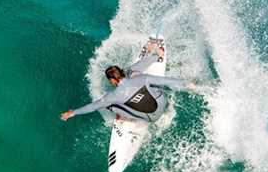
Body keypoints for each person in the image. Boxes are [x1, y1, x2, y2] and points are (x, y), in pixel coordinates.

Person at [60, 39, 202, 123]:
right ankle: (156, 55)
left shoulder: (111, 96)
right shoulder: (141, 78)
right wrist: (190, 85)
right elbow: (168, 81)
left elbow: (93, 106)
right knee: (133, 72)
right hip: (163, 104)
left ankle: (124, 118)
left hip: (150, 119)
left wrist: (72, 113)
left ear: (113, 80)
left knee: (109, 105)